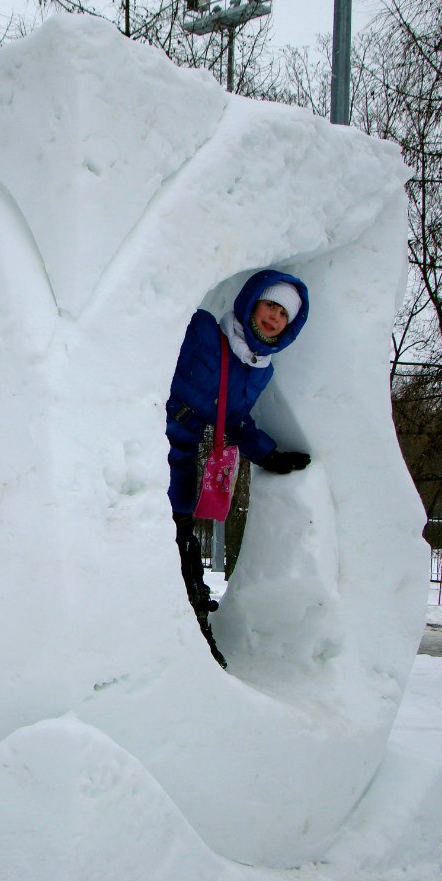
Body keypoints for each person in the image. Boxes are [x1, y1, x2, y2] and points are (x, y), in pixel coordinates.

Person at [166, 269, 310, 669]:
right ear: (252, 303)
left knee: (178, 527)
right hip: (142, 431)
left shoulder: (260, 372)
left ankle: (192, 614)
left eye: (284, 314)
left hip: (181, 448)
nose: (274, 317)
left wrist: (268, 455)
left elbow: (237, 421)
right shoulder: (203, 329)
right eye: (270, 305)